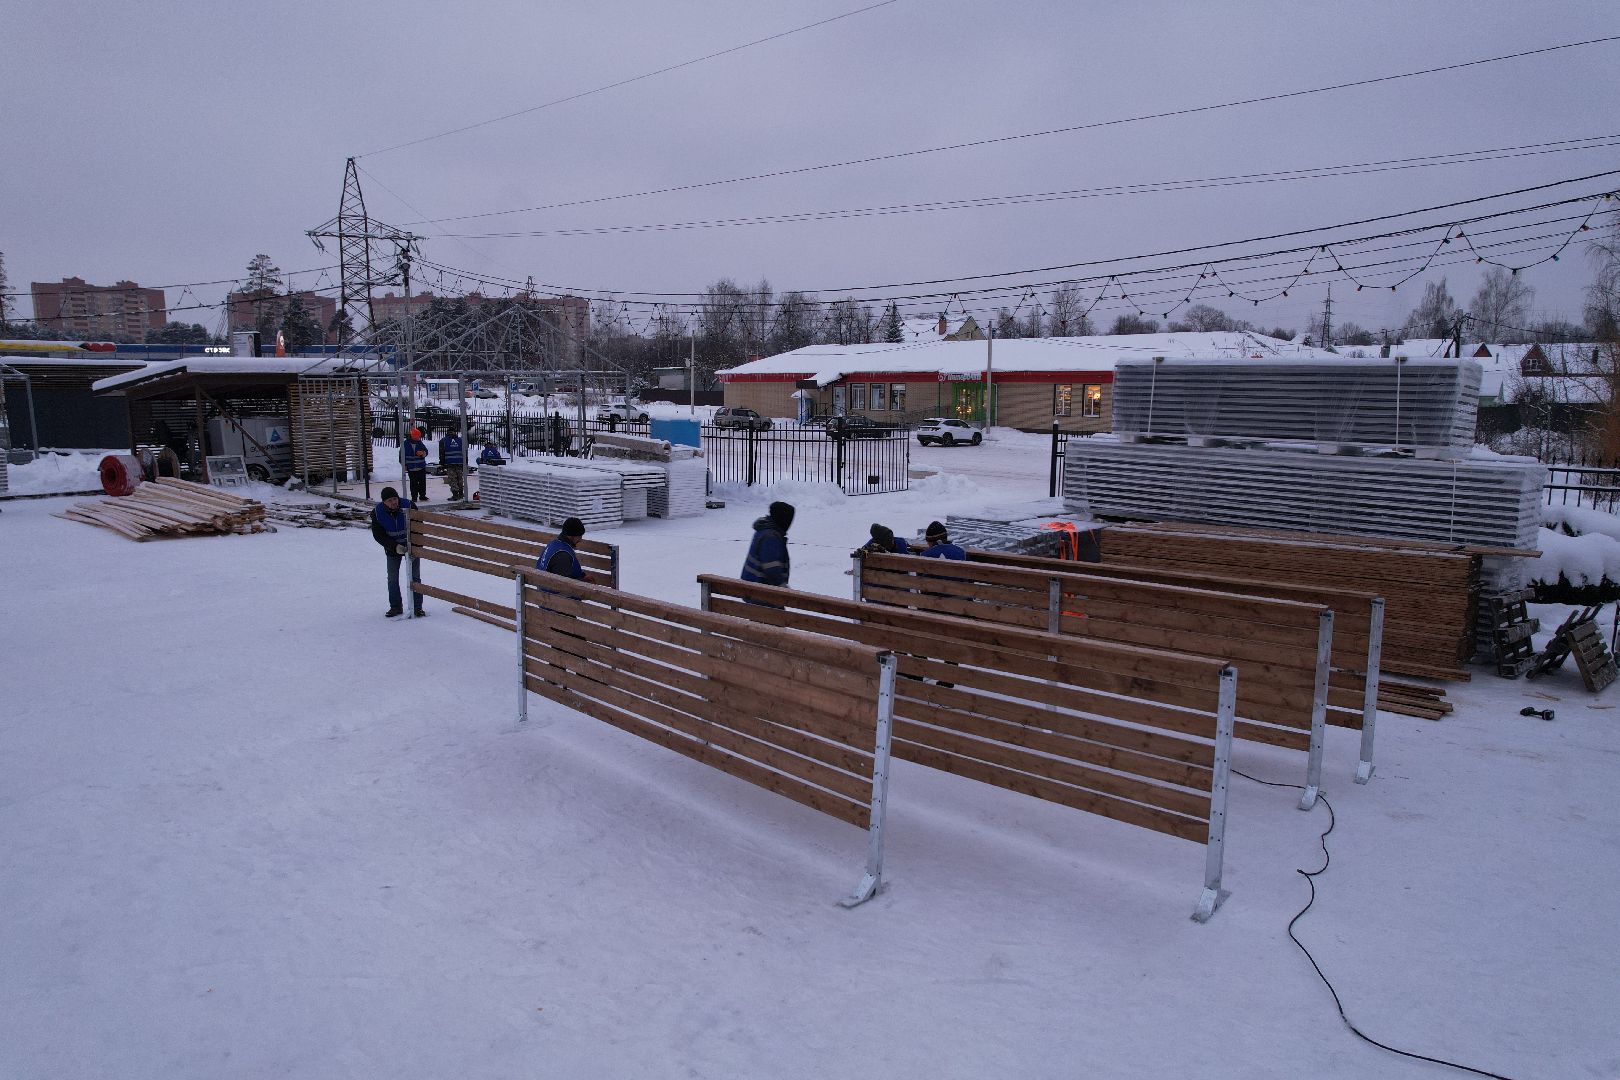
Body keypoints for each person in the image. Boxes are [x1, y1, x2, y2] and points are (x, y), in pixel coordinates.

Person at [370, 486, 426, 618]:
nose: (393, 502)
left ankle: (417, 607)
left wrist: (416, 546)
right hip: (392, 549)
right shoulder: (377, 513)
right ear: (384, 502)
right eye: (390, 500)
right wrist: (394, 546)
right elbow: (379, 535)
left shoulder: (409, 505)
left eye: (395, 499)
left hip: (412, 546)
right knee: (392, 578)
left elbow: (419, 526)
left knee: (415, 577)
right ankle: (395, 607)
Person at [741, 501, 794, 587]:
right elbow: (772, 568)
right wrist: (783, 587)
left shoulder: (765, 530)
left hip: (752, 586)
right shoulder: (770, 537)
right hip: (759, 589)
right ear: (782, 519)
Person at [536, 517, 598, 583]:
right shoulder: (562, 556)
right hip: (553, 592)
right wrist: (585, 582)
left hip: (545, 587)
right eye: (579, 536)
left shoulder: (555, 544)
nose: (580, 540)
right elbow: (566, 585)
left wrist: (583, 577)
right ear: (572, 536)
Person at [401, 428, 429, 502]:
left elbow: (426, 451)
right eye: (417, 437)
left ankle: (422, 495)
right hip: (411, 467)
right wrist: (404, 465)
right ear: (413, 436)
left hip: (421, 466)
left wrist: (423, 453)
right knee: (413, 483)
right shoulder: (405, 444)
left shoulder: (420, 443)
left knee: (422, 482)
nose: (418, 438)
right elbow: (401, 456)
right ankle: (414, 497)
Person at [439, 427, 465, 500]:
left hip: (449, 463)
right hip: (459, 462)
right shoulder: (460, 440)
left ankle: (455, 495)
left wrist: (442, 463)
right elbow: (465, 452)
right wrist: (465, 462)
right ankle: (460, 493)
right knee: (459, 478)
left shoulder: (444, 441)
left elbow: (441, 453)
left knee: (452, 479)